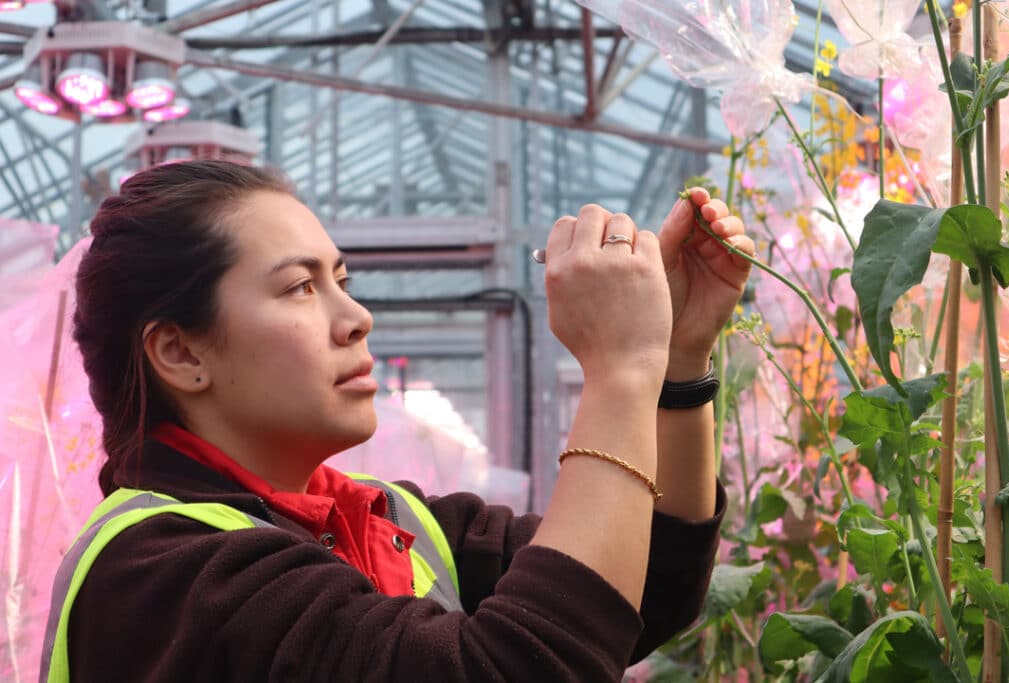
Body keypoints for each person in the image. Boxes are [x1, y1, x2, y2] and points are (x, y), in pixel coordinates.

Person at [40, 159, 754, 682]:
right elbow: (524, 666)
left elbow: (644, 584)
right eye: (299, 288)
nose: (356, 319)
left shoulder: (390, 520)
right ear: (179, 350)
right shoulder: (161, 572)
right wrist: (621, 367)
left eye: (342, 282)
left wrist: (676, 361)